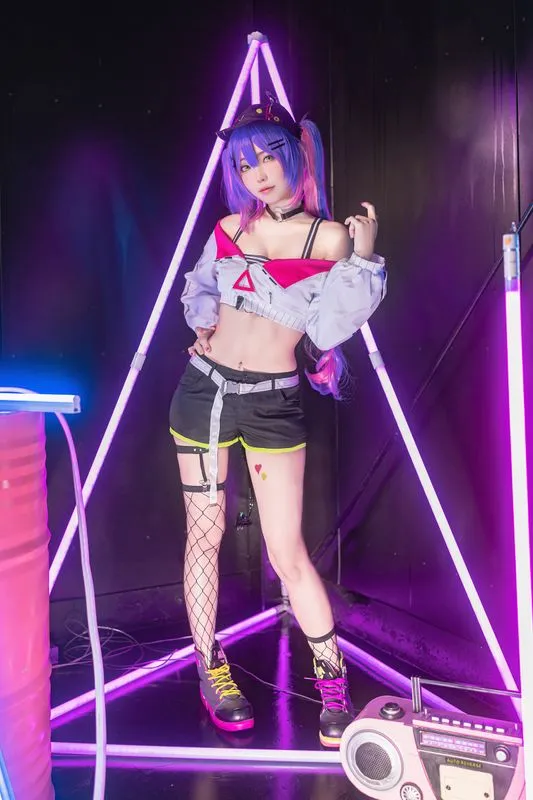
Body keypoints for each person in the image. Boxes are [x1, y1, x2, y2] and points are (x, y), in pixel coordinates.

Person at [169, 94, 387, 748]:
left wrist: (362, 258)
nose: (257, 173)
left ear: (295, 154)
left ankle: (332, 682)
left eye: (268, 156)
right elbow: (199, 290)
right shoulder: (230, 229)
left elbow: (329, 327)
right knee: (203, 536)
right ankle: (210, 668)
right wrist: (203, 323)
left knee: (286, 550)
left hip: (273, 400)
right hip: (204, 393)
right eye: (244, 163)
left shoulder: (330, 239)